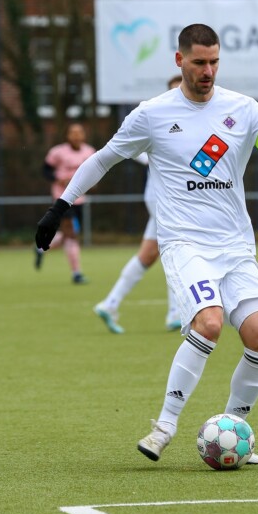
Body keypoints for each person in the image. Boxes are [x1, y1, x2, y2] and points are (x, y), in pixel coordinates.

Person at [34, 23, 258, 464]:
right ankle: (164, 426)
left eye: (214, 62)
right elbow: (102, 159)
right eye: (199, 62)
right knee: (210, 323)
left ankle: (235, 429)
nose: (208, 71)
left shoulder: (245, 110)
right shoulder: (152, 114)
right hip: (184, 244)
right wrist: (60, 207)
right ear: (180, 61)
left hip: (235, 247)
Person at [93, 76, 184, 334]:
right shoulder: (157, 117)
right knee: (177, 247)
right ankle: (176, 313)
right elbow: (130, 146)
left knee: (149, 253)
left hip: (167, 197)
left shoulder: (191, 119)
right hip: (163, 197)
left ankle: (110, 304)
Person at [34, 122, 95, 284]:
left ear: (84, 135)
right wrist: (58, 179)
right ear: (67, 135)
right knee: (71, 235)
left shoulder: (89, 152)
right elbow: (45, 170)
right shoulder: (58, 152)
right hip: (62, 199)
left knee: (69, 235)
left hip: (80, 199)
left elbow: (96, 171)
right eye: (72, 132)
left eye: (79, 132)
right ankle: (77, 274)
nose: (76, 135)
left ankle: (41, 248)